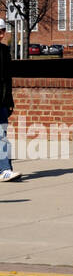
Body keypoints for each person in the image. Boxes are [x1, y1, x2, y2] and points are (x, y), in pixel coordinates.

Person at [0, 19, 19, 181]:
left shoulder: (4, 51)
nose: (1, 33)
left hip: (2, 102)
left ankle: (5, 169)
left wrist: (9, 101)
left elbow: (7, 79)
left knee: (2, 135)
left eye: (2, 30)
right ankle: (4, 169)